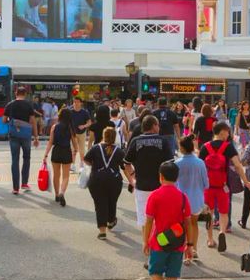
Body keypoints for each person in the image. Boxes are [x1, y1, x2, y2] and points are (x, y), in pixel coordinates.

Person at [124, 115, 175, 268]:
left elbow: (126, 163)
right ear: (153, 125)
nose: (159, 127)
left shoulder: (135, 141)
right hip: (161, 187)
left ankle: (149, 254)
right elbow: (170, 165)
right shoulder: (163, 141)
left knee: (146, 221)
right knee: (161, 221)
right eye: (158, 124)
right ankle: (160, 251)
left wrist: (132, 179)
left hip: (142, 187)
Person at [143, 161, 193, 280]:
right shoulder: (183, 197)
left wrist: (145, 241)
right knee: (172, 277)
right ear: (177, 178)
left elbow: (149, 221)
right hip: (178, 244)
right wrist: (189, 244)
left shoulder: (155, 196)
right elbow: (188, 222)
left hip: (159, 242)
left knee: (155, 273)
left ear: (161, 176)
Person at [199, 122, 250, 251]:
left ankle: (210, 239)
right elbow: (238, 165)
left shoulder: (205, 147)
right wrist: (245, 181)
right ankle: (222, 232)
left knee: (209, 214)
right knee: (224, 213)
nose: (228, 135)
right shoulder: (228, 147)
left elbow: (199, 168)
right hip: (223, 186)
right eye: (227, 132)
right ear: (222, 132)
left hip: (208, 186)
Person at [85, 127, 127, 239]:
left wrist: (94, 165)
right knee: (111, 202)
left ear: (104, 136)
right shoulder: (119, 151)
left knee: (100, 204)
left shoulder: (95, 148)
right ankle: (111, 220)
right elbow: (125, 167)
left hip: (97, 179)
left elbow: (86, 159)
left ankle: (102, 231)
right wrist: (132, 181)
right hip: (114, 180)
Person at [175, 134, 208, 264]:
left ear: (182, 148)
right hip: (197, 199)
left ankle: (185, 253)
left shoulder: (177, 163)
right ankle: (193, 249)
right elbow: (206, 184)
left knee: (183, 226)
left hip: (182, 200)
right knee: (194, 224)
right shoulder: (200, 163)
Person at [3, 87, 39, 194]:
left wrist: (12, 121)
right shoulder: (29, 105)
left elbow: (4, 120)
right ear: (25, 94)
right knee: (26, 158)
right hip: (26, 136)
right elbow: (33, 122)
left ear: (16, 93)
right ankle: (24, 183)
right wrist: (36, 137)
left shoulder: (10, 104)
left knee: (15, 160)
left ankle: (15, 188)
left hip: (13, 135)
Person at [44, 108, 78, 206]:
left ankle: (57, 194)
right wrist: (75, 150)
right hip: (66, 151)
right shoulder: (70, 128)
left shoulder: (54, 127)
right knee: (66, 176)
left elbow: (50, 142)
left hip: (56, 151)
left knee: (56, 174)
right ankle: (62, 192)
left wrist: (46, 154)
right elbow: (74, 143)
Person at [69, 97, 92, 171]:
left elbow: (89, 122)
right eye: (74, 102)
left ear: (81, 103)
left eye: (77, 102)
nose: (75, 103)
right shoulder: (70, 112)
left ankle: (81, 164)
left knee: (82, 150)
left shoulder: (84, 112)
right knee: (73, 149)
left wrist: (84, 126)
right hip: (73, 134)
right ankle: (73, 165)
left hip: (82, 133)